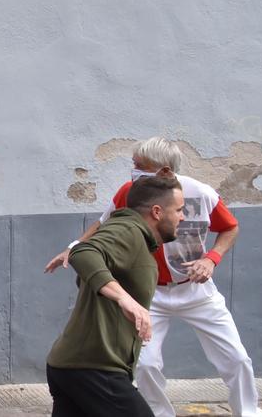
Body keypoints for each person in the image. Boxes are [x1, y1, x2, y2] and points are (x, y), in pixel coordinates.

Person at [44, 138, 262, 417]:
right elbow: (103, 226)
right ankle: (161, 413)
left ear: (164, 172)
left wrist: (211, 259)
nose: (133, 170)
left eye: (140, 166)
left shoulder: (202, 192)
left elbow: (230, 228)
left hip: (195, 289)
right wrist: (72, 248)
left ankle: (248, 412)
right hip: (151, 293)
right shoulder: (132, 192)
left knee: (236, 358)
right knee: (146, 365)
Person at [46, 175, 185, 417]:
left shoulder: (135, 237)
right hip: (95, 369)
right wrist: (125, 299)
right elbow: (83, 252)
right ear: (157, 211)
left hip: (73, 366)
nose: (182, 217)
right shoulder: (128, 230)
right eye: (179, 210)